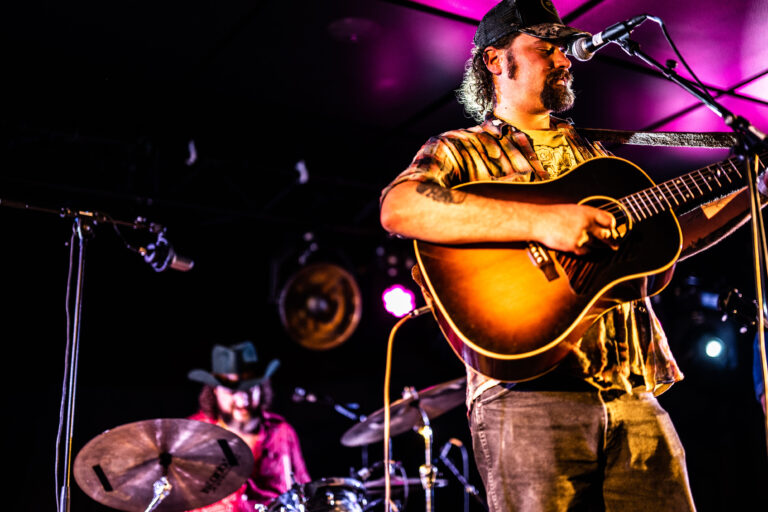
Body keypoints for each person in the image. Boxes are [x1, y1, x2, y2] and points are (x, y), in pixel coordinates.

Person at [379, 1, 768, 510]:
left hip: (633, 394)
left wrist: (755, 192)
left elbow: (678, 239)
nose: (565, 59)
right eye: (547, 48)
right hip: (526, 398)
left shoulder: (599, 158)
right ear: (496, 62)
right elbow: (400, 206)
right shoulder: (460, 150)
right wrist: (544, 222)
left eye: (565, 48)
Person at [186, 341, 311, 511]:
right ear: (215, 390)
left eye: (249, 388)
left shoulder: (281, 431)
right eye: (232, 390)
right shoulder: (192, 434)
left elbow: (305, 491)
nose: (241, 399)